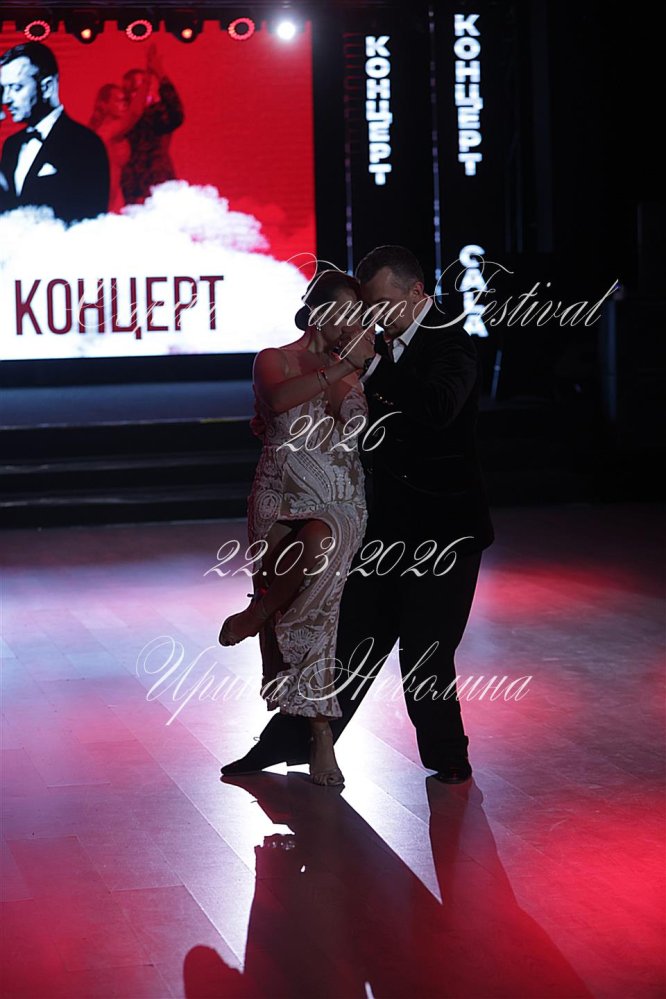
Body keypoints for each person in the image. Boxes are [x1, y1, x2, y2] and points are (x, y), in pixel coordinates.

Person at [221, 245, 495, 784]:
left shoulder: (450, 343)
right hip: (382, 525)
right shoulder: (374, 346)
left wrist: (368, 368)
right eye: (368, 305)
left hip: (443, 533)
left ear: (417, 293)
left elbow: (437, 411)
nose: (372, 315)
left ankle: (449, 760)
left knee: (426, 651)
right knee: (350, 641)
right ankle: (284, 743)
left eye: (383, 303)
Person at [218, 270, 373, 786]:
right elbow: (279, 400)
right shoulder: (274, 358)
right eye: (345, 312)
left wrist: (353, 372)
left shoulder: (353, 365)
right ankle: (268, 614)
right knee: (285, 598)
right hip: (277, 490)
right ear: (319, 312)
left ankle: (322, 735)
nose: (352, 323)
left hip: (337, 493)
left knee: (321, 602)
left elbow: (353, 423)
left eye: (359, 314)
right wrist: (341, 366)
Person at [0, 41, 109, 222]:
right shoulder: (12, 145)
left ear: (47, 87)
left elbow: (91, 219)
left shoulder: (85, 143)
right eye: (4, 89)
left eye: (16, 88)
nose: (6, 99)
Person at [120, 47, 183, 205]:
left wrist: (159, 73)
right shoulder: (124, 118)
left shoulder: (156, 114)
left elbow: (176, 113)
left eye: (143, 88)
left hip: (158, 181)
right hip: (134, 185)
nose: (138, 94)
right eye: (131, 90)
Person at [89, 55, 151, 213]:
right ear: (105, 105)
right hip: (107, 191)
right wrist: (147, 79)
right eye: (118, 101)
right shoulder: (110, 129)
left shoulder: (104, 127)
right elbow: (135, 113)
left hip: (111, 191)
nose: (123, 105)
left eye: (124, 101)